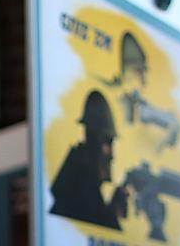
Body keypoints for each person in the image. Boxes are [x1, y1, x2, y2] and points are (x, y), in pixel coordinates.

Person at [48, 90, 131, 228]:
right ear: (92, 141)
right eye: (106, 143)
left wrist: (113, 208)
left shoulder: (80, 185)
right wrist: (112, 213)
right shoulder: (78, 185)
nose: (111, 155)